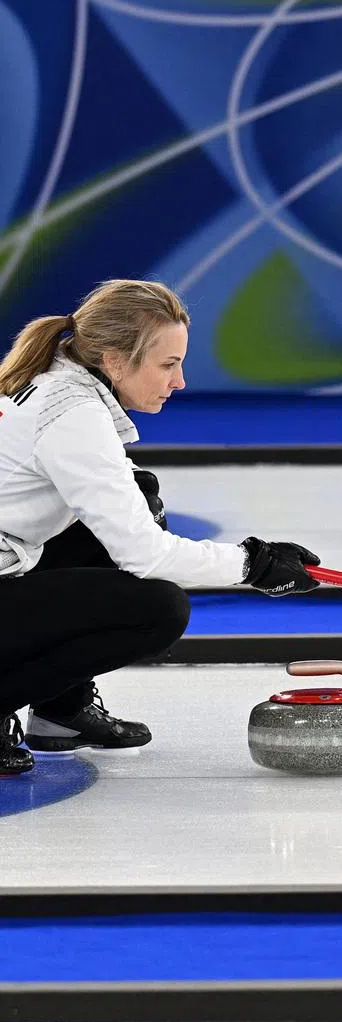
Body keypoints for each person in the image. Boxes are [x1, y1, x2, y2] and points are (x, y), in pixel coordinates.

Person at [0, 279, 322, 776]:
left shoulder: (52, 374)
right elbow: (146, 557)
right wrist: (252, 564)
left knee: (136, 495)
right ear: (112, 360)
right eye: (168, 365)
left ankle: (60, 711)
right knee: (157, 609)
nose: (180, 382)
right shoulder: (72, 415)